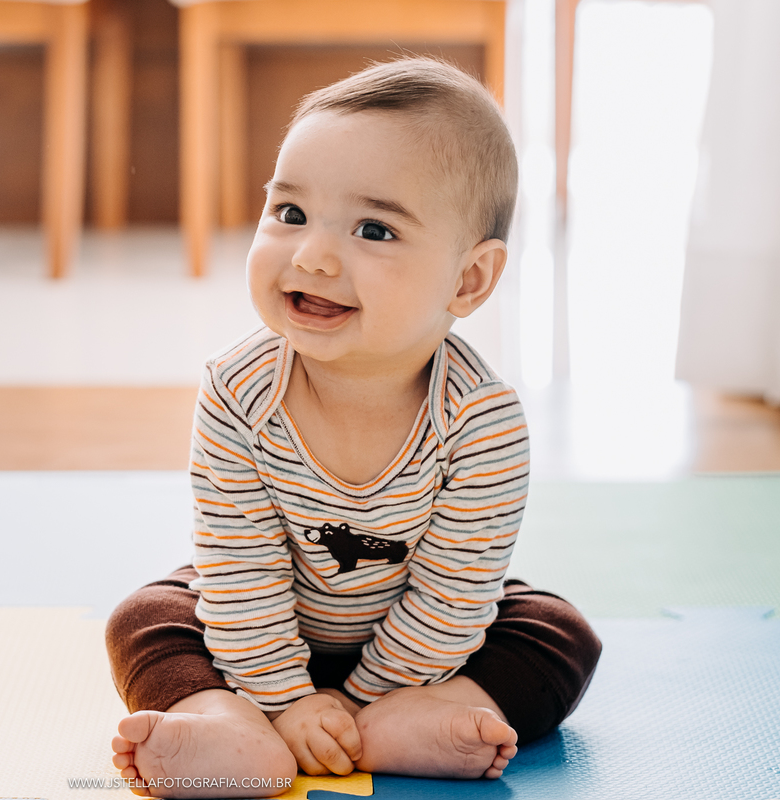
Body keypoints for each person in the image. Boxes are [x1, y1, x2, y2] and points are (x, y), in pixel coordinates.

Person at [105, 57, 601, 798]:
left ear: (469, 280)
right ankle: (226, 722)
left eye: (373, 229)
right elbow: (240, 573)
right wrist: (283, 698)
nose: (312, 255)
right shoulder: (240, 394)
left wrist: (360, 699)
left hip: (428, 649)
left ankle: (420, 715)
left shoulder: (480, 421)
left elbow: (453, 596)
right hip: (264, 630)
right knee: (148, 616)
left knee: (558, 633)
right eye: (290, 213)